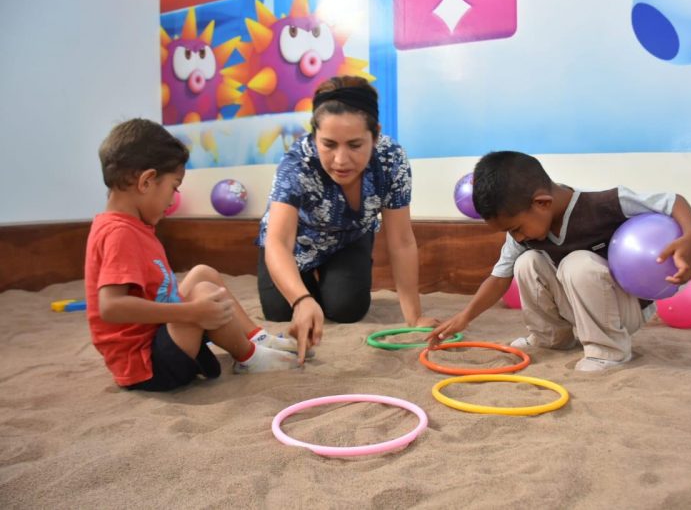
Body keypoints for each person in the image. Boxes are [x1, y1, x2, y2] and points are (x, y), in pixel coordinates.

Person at [427, 151, 691, 372]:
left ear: (542, 203)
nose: (516, 236)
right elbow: (499, 278)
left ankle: (609, 351)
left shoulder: (605, 203)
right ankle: (551, 338)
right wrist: (464, 317)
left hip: (623, 311)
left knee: (577, 263)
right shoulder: (523, 233)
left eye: (517, 228)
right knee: (527, 262)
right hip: (577, 306)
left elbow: (672, 201)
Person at [85, 118, 299, 392]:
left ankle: (255, 338)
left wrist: (189, 312)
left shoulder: (131, 226)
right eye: (174, 186)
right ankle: (249, 358)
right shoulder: (119, 233)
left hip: (156, 335)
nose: (173, 199)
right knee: (203, 294)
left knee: (202, 274)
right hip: (146, 364)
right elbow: (111, 307)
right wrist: (192, 312)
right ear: (147, 181)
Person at [256, 76, 436, 362]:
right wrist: (301, 300)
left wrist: (414, 317)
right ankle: (307, 290)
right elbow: (278, 241)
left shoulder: (391, 158)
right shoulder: (296, 162)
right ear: (314, 135)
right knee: (280, 311)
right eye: (328, 144)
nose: (341, 160)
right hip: (297, 247)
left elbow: (401, 240)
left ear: (375, 135)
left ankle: (326, 286)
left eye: (354, 145)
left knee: (346, 309)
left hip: (349, 239)